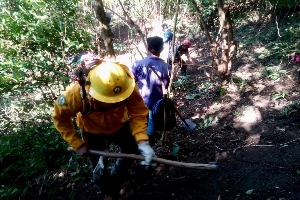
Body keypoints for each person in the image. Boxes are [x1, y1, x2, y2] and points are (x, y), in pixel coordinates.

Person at [52, 61, 155, 199]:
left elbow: (138, 112)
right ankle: (106, 190)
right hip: (92, 132)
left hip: (120, 125)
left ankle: (119, 173)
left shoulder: (125, 84)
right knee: (98, 165)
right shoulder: (75, 94)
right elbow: (60, 118)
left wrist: (142, 141)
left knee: (132, 149)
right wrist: (76, 143)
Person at [131, 36, 172, 144]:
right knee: (152, 120)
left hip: (142, 101)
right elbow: (167, 85)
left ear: (148, 48)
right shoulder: (167, 66)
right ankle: (149, 139)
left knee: (148, 123)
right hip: (158, 102)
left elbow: (131, 83)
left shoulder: (137, 64)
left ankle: (149, 142)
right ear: (162, 49)